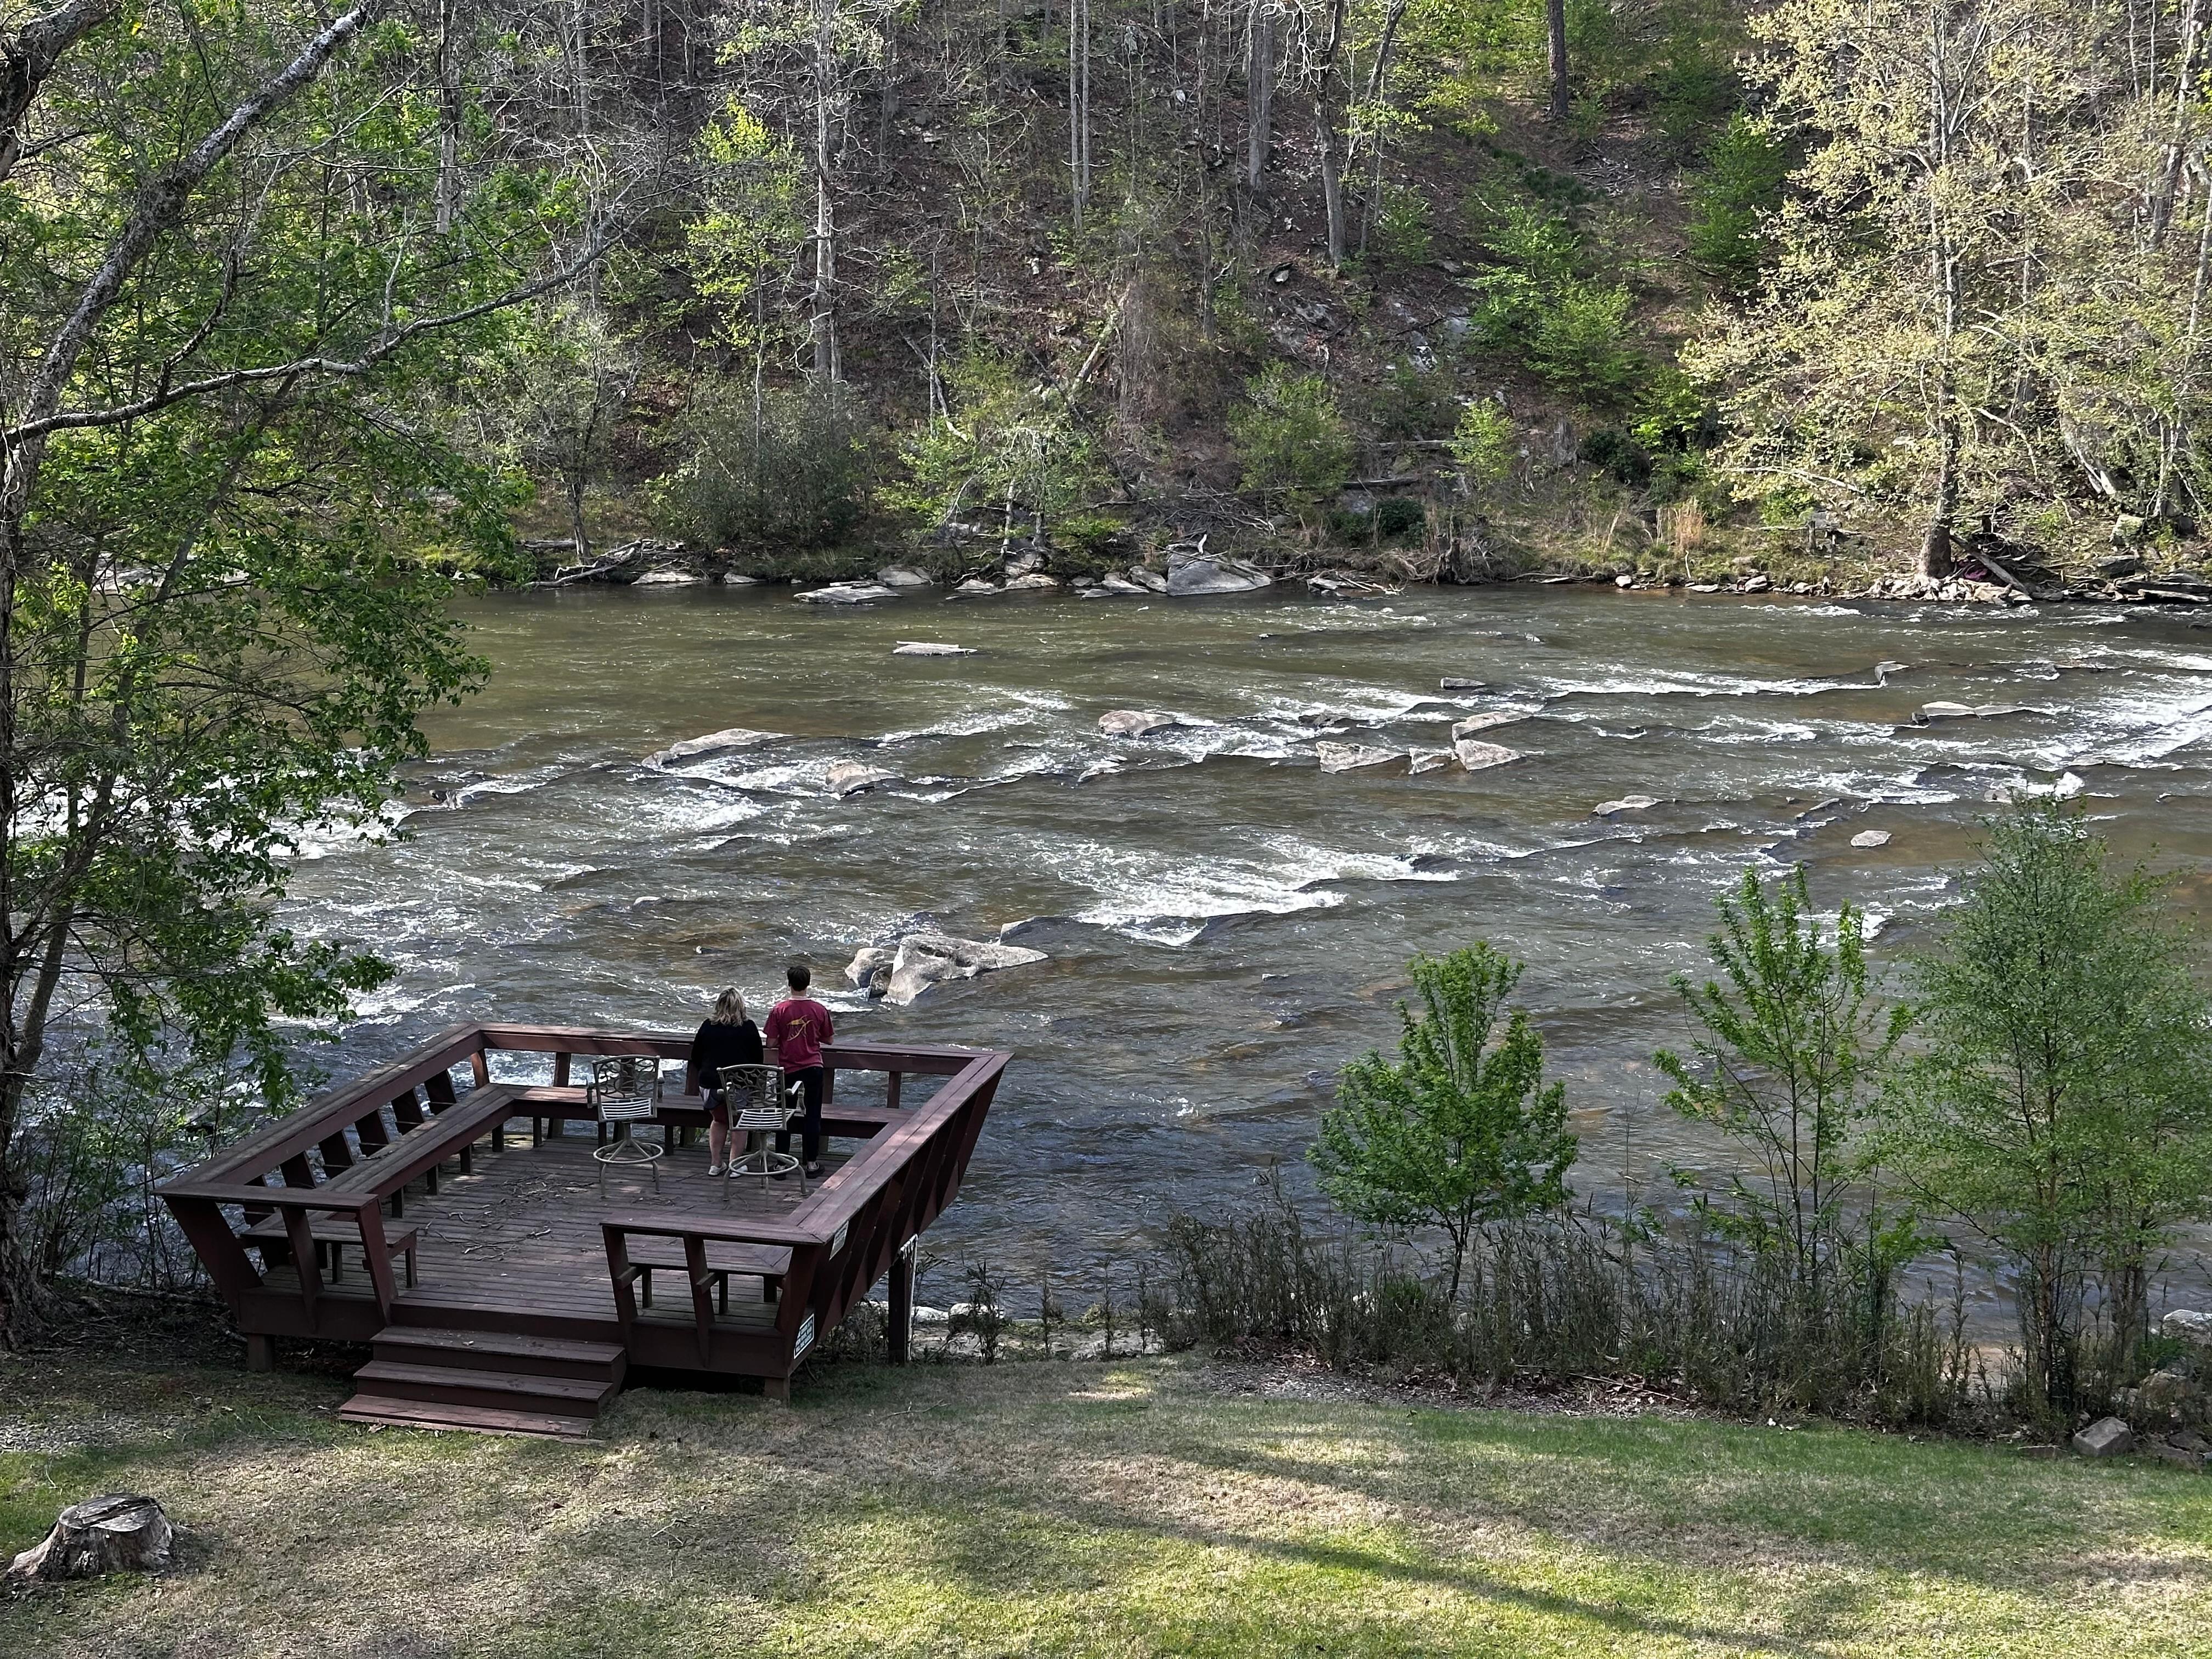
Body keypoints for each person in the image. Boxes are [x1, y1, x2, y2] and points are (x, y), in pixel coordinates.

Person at [764, 962, 834, 1179]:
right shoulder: (819, 1009)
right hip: (813, 1066)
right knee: (813, 1115)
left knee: (784, 1115)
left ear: (789, 984)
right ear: (808, 984)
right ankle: (811, 1164)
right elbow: (829, 1039)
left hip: (788, 1068)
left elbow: (771, 1043)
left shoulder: (780, 1010)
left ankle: (781, 1165)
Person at [687, 988, 763, 1176]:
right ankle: (735, 1164)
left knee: (719, 1120)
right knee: (739, 1122)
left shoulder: (707, 1026)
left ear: (719, 1005)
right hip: (739, 1084)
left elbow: (696, 1056)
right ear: (741, 1006)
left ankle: (716, 1164)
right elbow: (758, 1060)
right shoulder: (749, 1027)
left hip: (710, 1084)